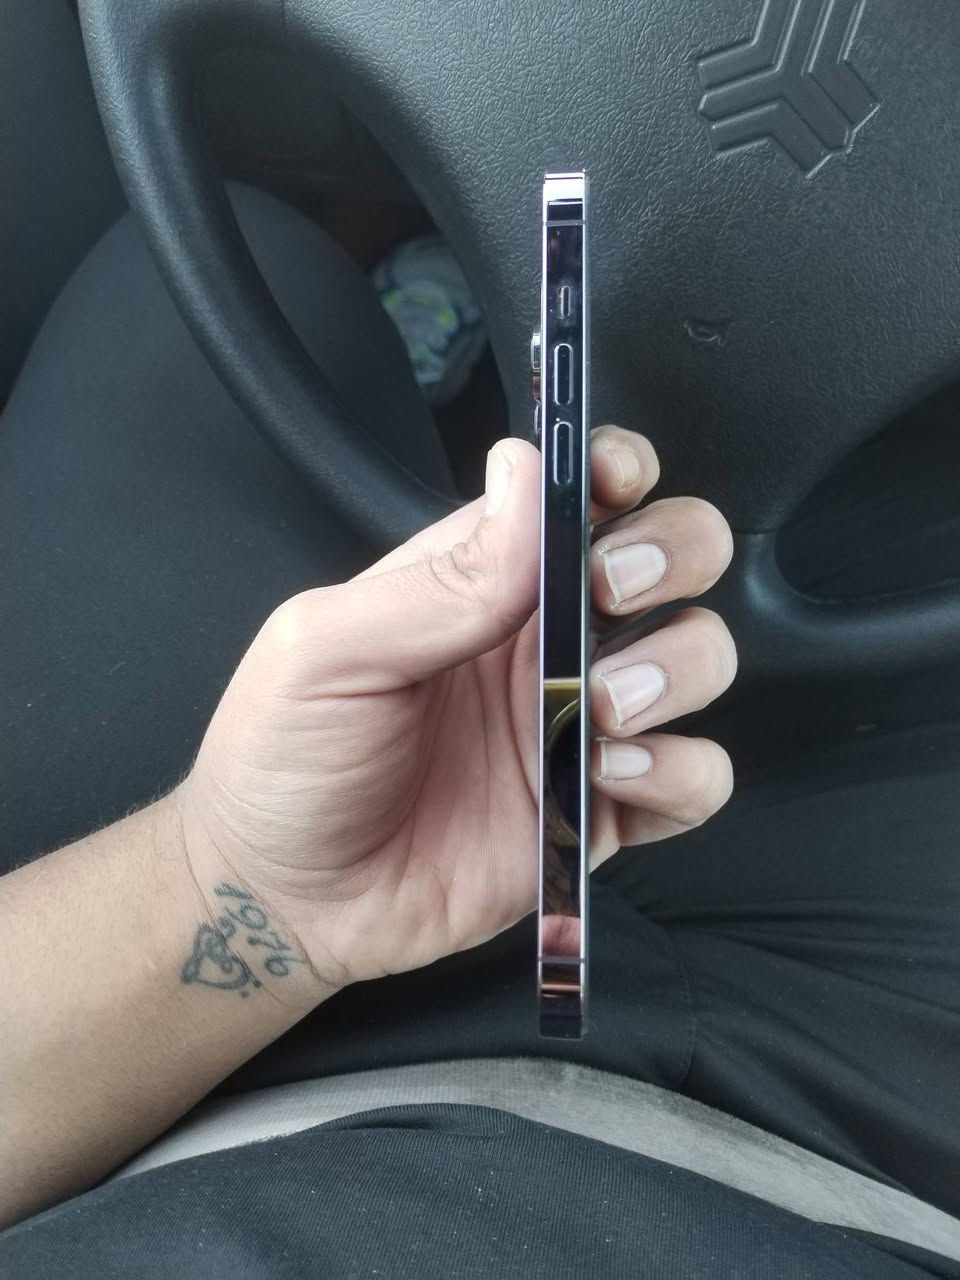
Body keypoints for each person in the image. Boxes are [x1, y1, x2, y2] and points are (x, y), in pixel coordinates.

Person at [2, 191, 960, 1278]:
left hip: (202, 1051)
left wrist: (236, 881)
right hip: (844, 1163)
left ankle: (428, 354)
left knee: (211, 280)